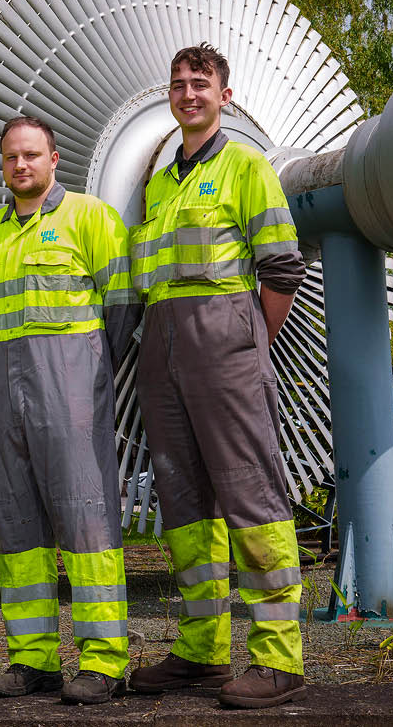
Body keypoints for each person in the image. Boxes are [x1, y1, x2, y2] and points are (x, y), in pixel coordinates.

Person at [126, 43, 308, 709]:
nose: (187, 93)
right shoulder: (160, 181)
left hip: (224, 348)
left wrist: (249, 343)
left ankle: (278, 658)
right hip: (163, 352)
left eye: (199, 83)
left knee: (251, 500)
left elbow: (282, 267)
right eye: (177, 84)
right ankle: (201, 652)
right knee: (184, 506)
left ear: (223, 96)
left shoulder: (245, 166)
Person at [0, 116, 142, 705]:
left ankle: (102, 661)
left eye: (32, 155)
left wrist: (90, 375)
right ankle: (32, 659)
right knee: (17, 527)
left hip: (70, 387)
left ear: (54, 158)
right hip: (3, 387)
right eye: (11, 157)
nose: (21, 165)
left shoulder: (90, 217)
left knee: (87, 520)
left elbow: (121, 305)